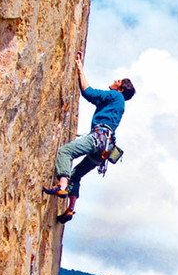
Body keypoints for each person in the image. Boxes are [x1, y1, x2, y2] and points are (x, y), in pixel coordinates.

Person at [44, 51, 135, 223]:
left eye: (118, 81)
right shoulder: (118, 104)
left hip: (98, 139)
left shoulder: (116, 96)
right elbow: (93, 98)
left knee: (65, 152)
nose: (115, 80)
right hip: (104, 149)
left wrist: (80, 69)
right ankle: (70, 209)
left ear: (121, 89)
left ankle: (61, 186)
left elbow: (89, 92)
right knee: (76, 175)